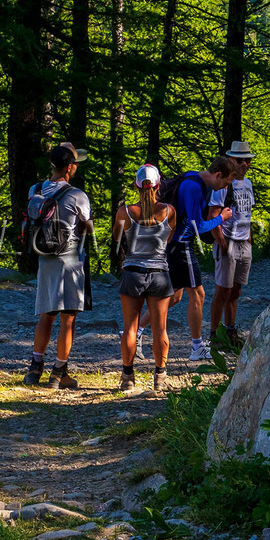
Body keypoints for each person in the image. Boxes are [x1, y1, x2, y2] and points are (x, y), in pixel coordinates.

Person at [24, 140, 92, 389]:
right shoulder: (77, 195)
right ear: (70, 168)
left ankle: (34, 369)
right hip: (70, 259)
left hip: (44, 257)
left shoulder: (36, 190)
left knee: (46, 315)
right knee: (68, 318)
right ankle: (58, 372)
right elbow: (87, 225)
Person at [112, 161, 177, 394]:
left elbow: (117, 237)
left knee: (130, 326)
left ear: (136, 186)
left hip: (132, 273)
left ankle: (127, 376)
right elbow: (168, 239)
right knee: (160, 329)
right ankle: (160, 376)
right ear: (159, 184)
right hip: (160, 273)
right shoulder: (168, 211)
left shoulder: (125, 212)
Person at [169, 156, 232, 365]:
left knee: (174, 297)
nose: (224, 188)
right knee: (198, 293)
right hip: (181, 244)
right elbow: (198, 227)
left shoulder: (193, 179)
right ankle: (197, 347)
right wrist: (221, 218)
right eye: (225, 183)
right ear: (218, 175)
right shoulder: (195, 187)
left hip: (176, 244)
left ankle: (137, 330)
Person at [210, 139, 256, 358]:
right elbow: (213, 214)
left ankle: (230, 330)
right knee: (222, 289)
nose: (244, 164)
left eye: (247, 160)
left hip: (243, 241)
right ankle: (214, 333)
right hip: (227, 241)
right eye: (240, 160)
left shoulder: (247, 183)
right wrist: (220, 239)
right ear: (231, 160)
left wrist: (249, 239)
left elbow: (247, 213)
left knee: (236, 290)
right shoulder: (223, 185)